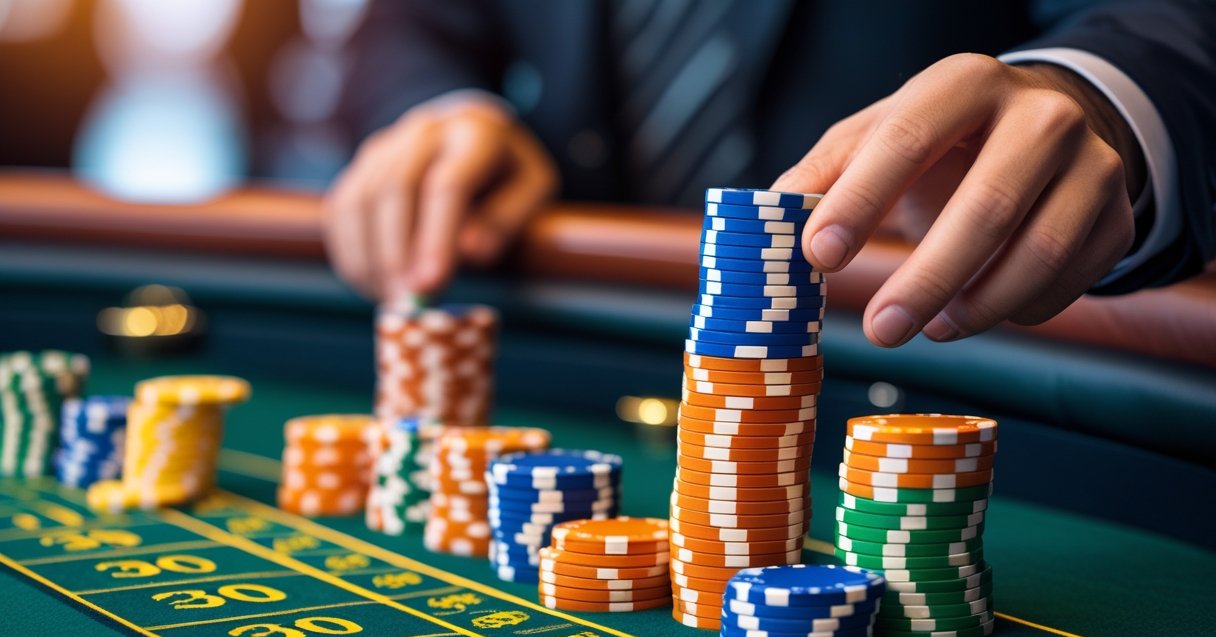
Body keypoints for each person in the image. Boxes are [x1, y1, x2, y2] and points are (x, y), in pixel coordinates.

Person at [323, 0, 1216, 348]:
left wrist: (1096, 99)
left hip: (928, 372)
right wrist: (445, 110)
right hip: (567, 348)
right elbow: (415, 25)